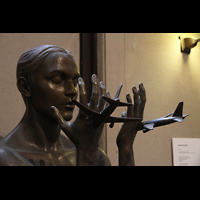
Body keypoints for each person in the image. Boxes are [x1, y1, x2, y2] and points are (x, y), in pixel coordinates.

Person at [0, 45, 146, 166]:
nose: (72, 91)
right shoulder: (7, 157)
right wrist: (86, 149)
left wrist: (125, 147)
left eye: (75, 82)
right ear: (26, 87)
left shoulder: (95, 155)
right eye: (57, 79)